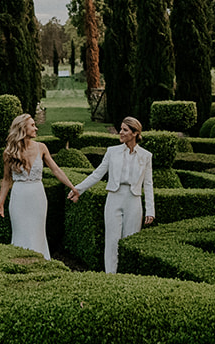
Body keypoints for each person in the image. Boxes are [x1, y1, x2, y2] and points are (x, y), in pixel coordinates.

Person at [66, 116, 155, 273]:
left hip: (133, 200)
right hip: (114, 197)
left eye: (124, 130)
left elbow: (148, 184)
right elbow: (97, 174)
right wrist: (78, 189)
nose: (120, 132)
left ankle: (128, 277)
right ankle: (110, 276)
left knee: (130, 241)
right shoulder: (112, 152)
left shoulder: (146, 156)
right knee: (112, 240)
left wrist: (150, 210)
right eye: (120, 129)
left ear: (135, 133)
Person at [0, 112, 72, 259]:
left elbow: (56, 170)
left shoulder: (42, 147)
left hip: (38, 196)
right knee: (20, 232)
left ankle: (40, 264)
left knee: (38, 232)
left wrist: (72, 187)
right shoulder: (9, 152)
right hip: (19, 197)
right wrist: (0, 204)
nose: (36, 128)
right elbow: (6, 180)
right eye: (32, 125)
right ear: (23, 128)